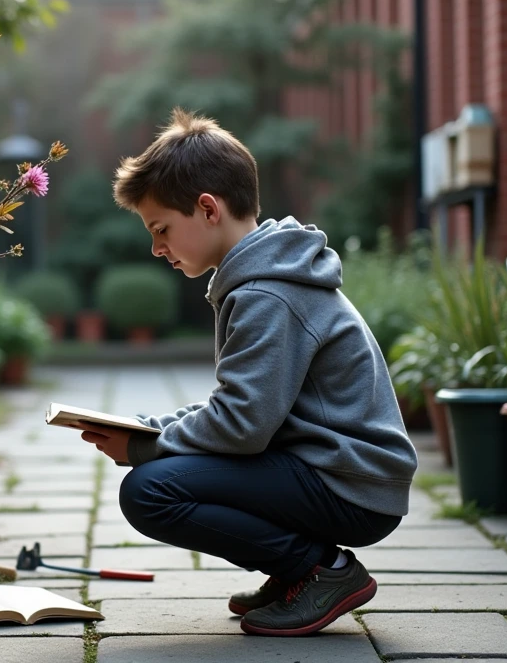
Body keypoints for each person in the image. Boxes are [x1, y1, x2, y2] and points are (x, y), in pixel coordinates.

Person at [78, 108, 418, 637]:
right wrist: (149, 428)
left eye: (161, 229)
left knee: (148, 491)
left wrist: (146, 447)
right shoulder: (264, 278)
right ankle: (297, 571)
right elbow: (242, 406)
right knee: (162, 475)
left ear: (207, 208)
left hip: (351, 482)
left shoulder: (267, 295)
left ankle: (321, 570)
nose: (157, 248)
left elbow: (241, 426)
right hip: (332, 469)